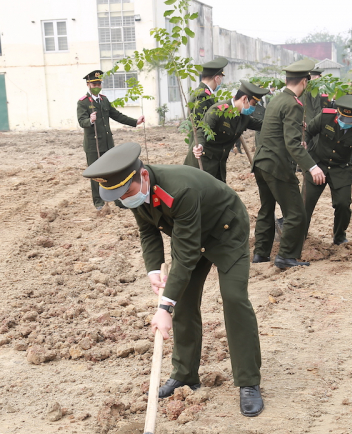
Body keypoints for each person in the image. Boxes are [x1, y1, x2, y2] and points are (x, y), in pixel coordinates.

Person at [83, 143, 264, 416]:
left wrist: (164, 306)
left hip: (225, 230)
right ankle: (185, 374)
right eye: (118, 197)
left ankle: (248, 381)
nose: (124, 200)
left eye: (126, 193)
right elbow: (148, 230)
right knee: (185, 301)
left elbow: (187, 252)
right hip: (191, 233)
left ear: (143, 176)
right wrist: (153, 269)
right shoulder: (133, 192)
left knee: (234, 298)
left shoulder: (180, 190)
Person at [252, 58, 326, 269]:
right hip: (276, 165)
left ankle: (260, 254)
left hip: (261, 162)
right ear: (304, 82)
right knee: (295, 213)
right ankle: (286, 256)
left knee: (266, 209)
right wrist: (312, 167)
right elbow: (292, 144)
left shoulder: (276, 98)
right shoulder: (293, 104)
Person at [302, 95, 352, 245]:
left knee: (343, 204)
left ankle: (339, 236)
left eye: (349, 120)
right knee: (305, 204)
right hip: (318, 164)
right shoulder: (325, 117)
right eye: (342, 118)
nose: (344, 123)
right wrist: (305, 145)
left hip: (340, 169)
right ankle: (300, 236)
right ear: (338, 112)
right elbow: (308, 131)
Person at [77, 69, 144, 212]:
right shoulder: (83, 102)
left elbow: (116, 115)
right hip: (93, 145)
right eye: (94, 84)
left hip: (107, 143)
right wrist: (90, 120)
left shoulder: (104, 100)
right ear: (88, 85)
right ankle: (98, 201)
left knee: (112, 172)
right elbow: (81, 121)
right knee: (96, 174)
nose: (97, 86)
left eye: (99, 83)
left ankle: (116, 199)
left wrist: (135, 122)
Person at [187, 81, 269, 182]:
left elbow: (261, 125)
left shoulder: (244, 117)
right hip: (203, 163)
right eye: (253, 104)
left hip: (219, 164)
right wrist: (199, 145)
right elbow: (202, 130)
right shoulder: (218, 110)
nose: (254, 108)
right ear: (244, 99)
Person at [185, 58, 229, 138]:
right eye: (221, 78)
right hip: (202, 147)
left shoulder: (205, 93)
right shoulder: (202, 96)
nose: (221, 82)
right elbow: (201, 127)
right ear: (217, 79)